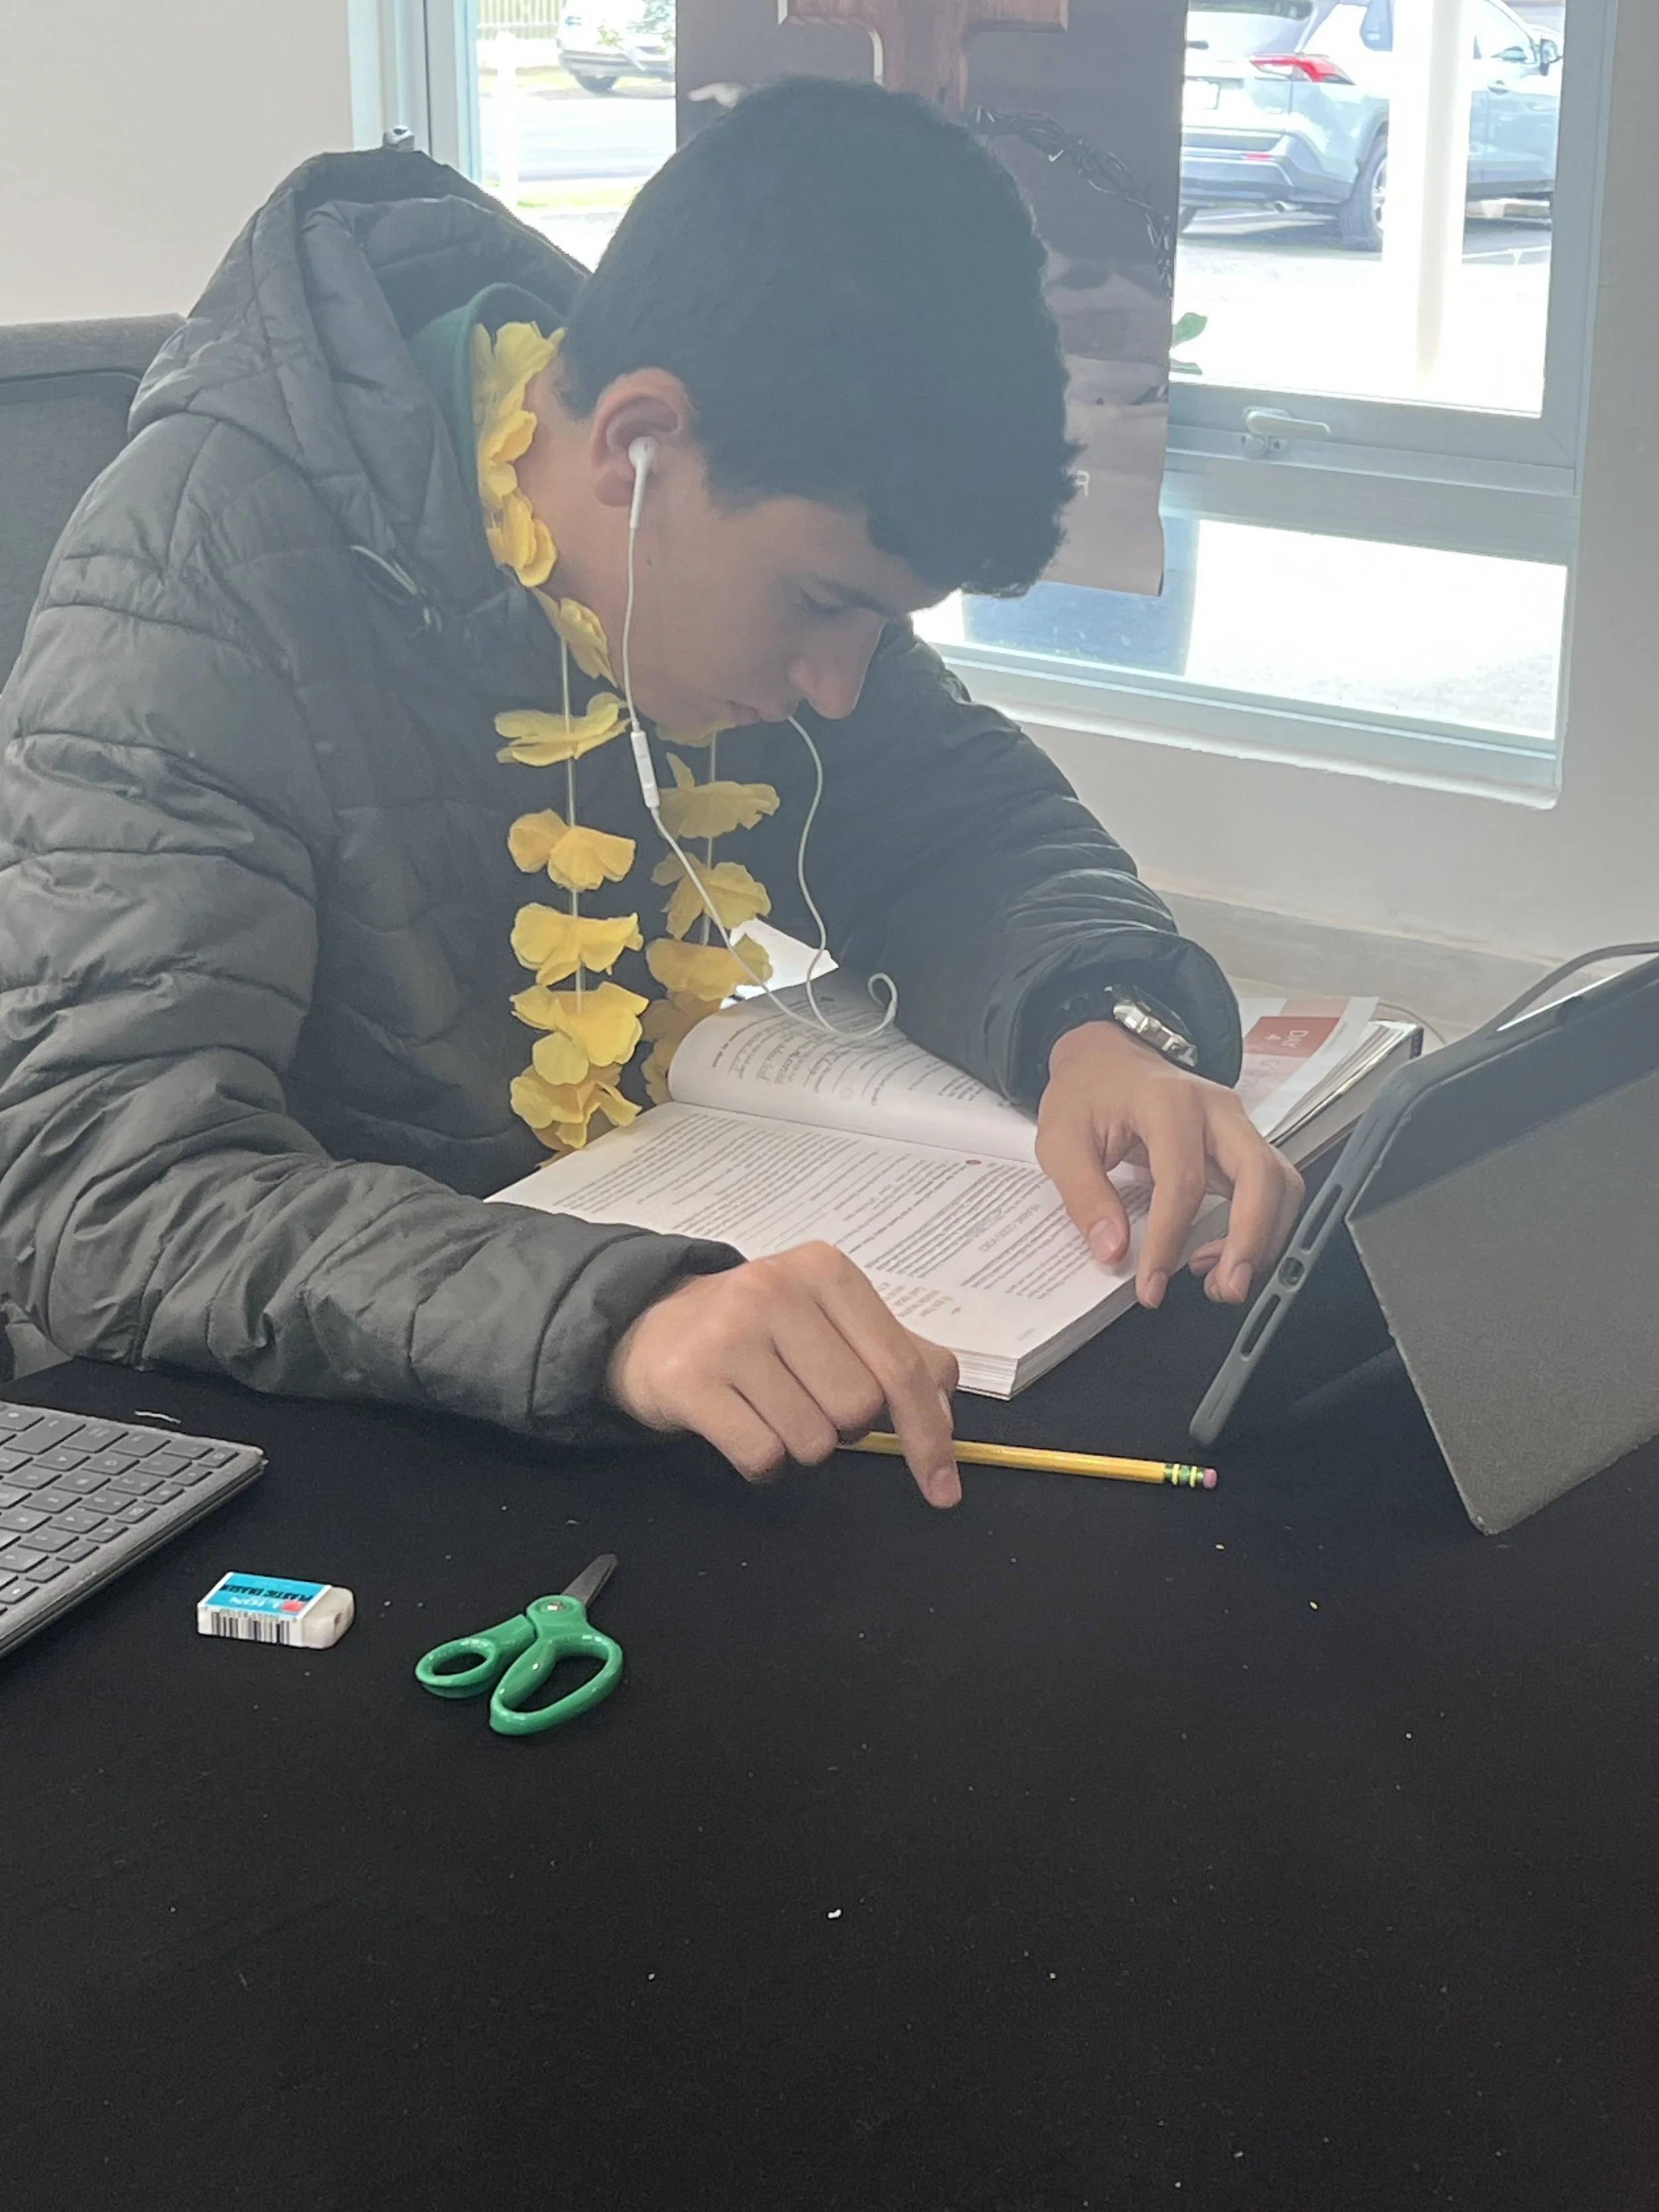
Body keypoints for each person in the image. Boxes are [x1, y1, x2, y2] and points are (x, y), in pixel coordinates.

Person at [0, 80, 1300, 1511]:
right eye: (822, 603)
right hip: (333, 1444)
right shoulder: (192, 576)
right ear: (636, 444)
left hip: (637, 1342)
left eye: (879, 623)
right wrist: (616, 1315)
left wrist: (1092, 1023)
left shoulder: (753, 457)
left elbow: (951, 828)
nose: (840, 687)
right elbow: (97, 1186)